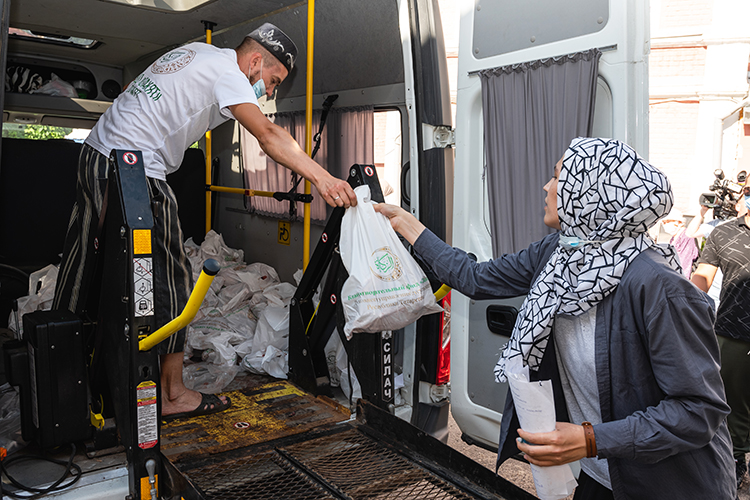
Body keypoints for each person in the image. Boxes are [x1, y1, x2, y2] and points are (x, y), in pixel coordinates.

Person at [375, 137, 734, 499]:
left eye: (558, 177)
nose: (547, 187)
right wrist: (406, 224)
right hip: (601, 473)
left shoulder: (660, 287)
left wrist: (590, 439)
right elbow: (476, 278)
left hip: (670, 486)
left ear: (591, 192)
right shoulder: (560, 252)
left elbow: (698, 410)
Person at [52, 23, 356, 421]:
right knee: (173, 278)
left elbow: (131, 94)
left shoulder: (197, 53)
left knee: (85, 268)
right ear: (255, 60)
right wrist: (323, 177)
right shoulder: (229, 73)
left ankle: (55, 373)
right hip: (134, 165)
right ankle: (172, 393)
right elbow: (266, 134)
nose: (271, 91)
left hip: (97, 152)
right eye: (273, 79)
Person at [691, 184, 750, 489]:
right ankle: (734, 462)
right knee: (730, 405)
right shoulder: (723, 234)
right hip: (731, 334)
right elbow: (700, 282)